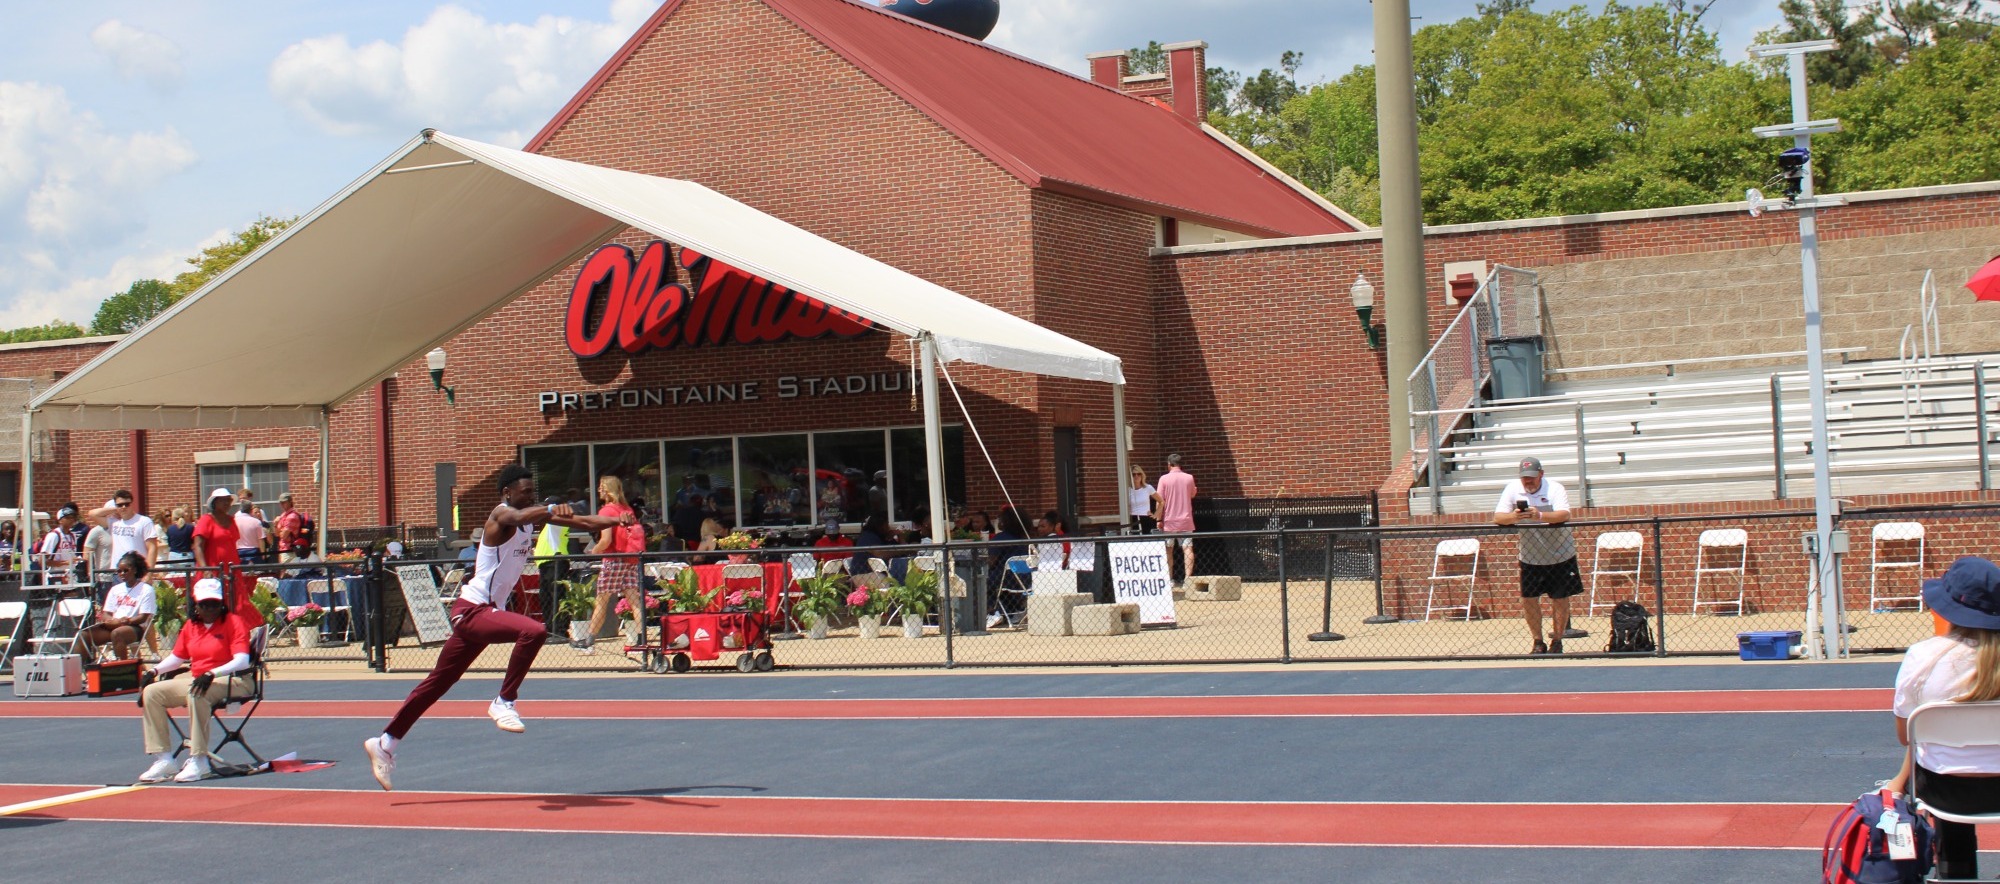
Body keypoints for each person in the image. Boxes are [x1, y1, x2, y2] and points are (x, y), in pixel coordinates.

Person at [362, 464, 630, 792]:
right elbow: (517, 518)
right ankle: (504, 701)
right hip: (473, 610)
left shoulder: (531, 517)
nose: (529, 496)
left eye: (533, 492)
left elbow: (586, 522)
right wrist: (546, 507)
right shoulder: (500, 516)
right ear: (507, 494)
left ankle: (385, 743)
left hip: (484, 613)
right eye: (524, 492)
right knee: (533, 631)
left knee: (437, 683)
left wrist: (618, 520)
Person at [1883, 556, 2000, 880]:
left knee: (1937, 753)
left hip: (1944, 791)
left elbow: (1907, 735)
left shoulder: (1923, 656)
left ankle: (1956, 870)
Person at [136, 577, 254, 784]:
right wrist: (154, 671)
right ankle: (164, 759)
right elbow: (177, 657)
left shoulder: (234, 622)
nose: (209, 608)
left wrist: (211, 674)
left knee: (196, 693)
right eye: (204, 604)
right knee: (152, 693)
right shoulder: (191, 625)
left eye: (214, 603)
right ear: (195, 605)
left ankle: (199, 759)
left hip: (234, 680)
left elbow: (242, 661)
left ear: (222, 603)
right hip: (198, 679)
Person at [1493, 456, 1581, 656]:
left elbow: (1564, 514)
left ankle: (1557, 640)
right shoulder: (1512, 488)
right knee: (1529, 598)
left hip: (1560, 554)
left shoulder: (1555, 488)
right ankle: (1538, 641)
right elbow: (1498, 517)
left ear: (1541, 474)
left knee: (1559, 598)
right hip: (1530, 556)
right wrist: (1515, 516)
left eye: (1532, 477)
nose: (1528, 481)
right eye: (1525, 478)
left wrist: (1539, 515)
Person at [580, 475, 647, 654]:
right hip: (630, 560)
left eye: (601, 487)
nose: (598, 490)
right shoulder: (627, 510)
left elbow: (605, 540)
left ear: (608, 490)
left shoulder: (606, 511)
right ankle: (643, 639)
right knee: (635, 601)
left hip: (613, 560)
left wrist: (592, 553)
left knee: (601, 601)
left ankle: (589, 642)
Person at [192, 488, 258, 634]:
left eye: (229, 500)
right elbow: (198, 546)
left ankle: (240, 634)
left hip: (232, 570)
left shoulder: (232, 520)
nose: (227, 503)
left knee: (239, 604)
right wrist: (205, 569)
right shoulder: (206, 520)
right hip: (213, 570)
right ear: (215, 502)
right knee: (213, 606)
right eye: (223, 500)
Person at [79, 552, 156, 661]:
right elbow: (106, 613)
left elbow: (143, 617)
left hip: (135, 627)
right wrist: (110, 620)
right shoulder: (115, 589)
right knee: (84, 635)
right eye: (119, 571)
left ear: (135, 570)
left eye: (126, 570)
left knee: (117, 634)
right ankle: (81, 670)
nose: (122, 574)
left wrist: (125, 621)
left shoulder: (146, 589)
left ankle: (123, 670)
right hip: (114, 625)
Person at [87, 490, 161, 570]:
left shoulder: (144, 521)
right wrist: (115, 509)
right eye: (120, 505)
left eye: (127, 504)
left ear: (132, 504)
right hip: (117, 570)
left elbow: (152, 548)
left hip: (137, 570)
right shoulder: (114, 522)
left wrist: (149, 572)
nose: (124, 507)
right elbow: (92, 514)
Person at [986, 507, 1032, 628]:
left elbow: (990, 562)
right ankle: (1013, 611)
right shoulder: (1026, 538)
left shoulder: (1000, 538)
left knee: (980, 580)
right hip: (1026, 580)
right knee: (996, 584)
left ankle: (992, 612)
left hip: (1005, 579)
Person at [1156, 454, 1197, 585]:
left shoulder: (1164, 479)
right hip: (1186, 519)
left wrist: (1158, 519)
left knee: (1168, 549)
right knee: (1188, 548)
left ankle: (1170, 579)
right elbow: (1192, 494)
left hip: (1169, 520)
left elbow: (1159, 501)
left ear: (1169, 464)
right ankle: (1188, 579)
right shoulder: (1189, 478)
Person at [38, 504, 81, 582]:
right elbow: (43, 561)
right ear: (60, 520)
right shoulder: (54, 535)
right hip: (55, 577)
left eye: (73, 517)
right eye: (68, 518)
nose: (71, 520)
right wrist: (65, 562)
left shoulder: (73, 536)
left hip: (71, 577)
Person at [849, 513, 891, 577]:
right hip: (864, 574)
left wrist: (898, 536)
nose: (888, 527)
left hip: (876, 572)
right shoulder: (868, 536)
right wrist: (901, 551)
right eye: (887, 524)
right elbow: (880, 553)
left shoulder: (878, 536)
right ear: (880, 525)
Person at [272, 493, 309, 562]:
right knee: (283, 571)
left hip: (289, 550)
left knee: (286, 572)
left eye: (284, 502)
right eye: (281, 502)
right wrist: (275, 524)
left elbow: (283, 536)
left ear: (290, 502)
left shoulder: (292, 517)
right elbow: (276, 534)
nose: (282, 504)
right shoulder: (283, 515)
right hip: (283, 549)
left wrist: (280, 529)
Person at [233, 496, 268, 565]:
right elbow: (261, 540)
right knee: (256, 574)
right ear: (251, 510)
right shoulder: (256, 522)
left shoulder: (234, 521)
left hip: (239, 552)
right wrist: (263, 554)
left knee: (241, 573)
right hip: (254, 552)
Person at [1129, 468, 1161, 534]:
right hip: (1132, 519)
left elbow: (1161, 501)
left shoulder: (1148, 488)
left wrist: (1155, 515)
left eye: (1139, 474)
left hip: (1146, 518)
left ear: (1142, 475)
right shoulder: (1128, 489)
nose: (1136, 476)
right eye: (1134, 474)